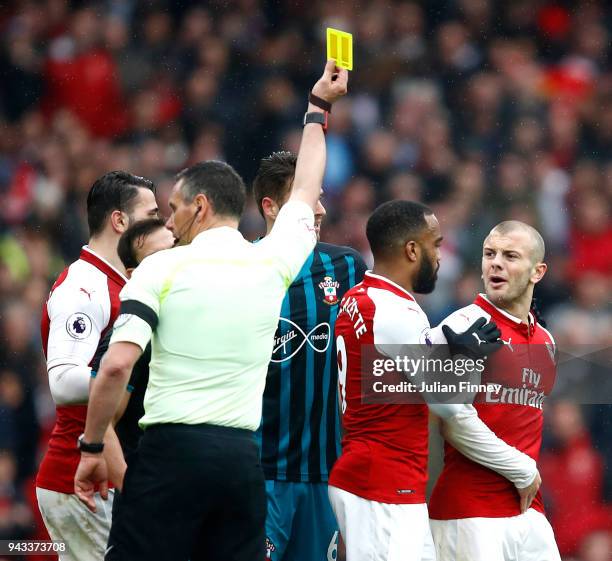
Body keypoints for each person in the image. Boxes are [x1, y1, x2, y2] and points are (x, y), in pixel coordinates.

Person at [73, 60, 348, 561]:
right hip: (242, 464)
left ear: (199, 206)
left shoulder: (161, 270)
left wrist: (92, 448)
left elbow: (115, 366)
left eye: (173, 208)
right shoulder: (271, 262)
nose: (169, 221)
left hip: (169, 457)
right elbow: (307, 187)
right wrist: (318, 108)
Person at [329, 201, 542, 561]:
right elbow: (445, 401)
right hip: (383, 484)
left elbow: (395, 372)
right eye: (436, 244)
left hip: (374, 476)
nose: (441, 256)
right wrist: (466, 358)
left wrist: (448, 350)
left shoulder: (358, 298)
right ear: (413, 250)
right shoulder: (399, 312)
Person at [37, 171, 158, 561]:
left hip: (101, 475)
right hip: (81, 478)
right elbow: (63, 380)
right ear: (120, 221)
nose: (162, 225)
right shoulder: (84, 286)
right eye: (151, 215)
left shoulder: (120, 282)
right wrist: (121, 382)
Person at [252, 151, 367, 561]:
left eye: (319, 198)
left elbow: (381, 350)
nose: (319, 209)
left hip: (325, 475)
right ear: (270, 207)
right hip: (258, 473)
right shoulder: (242, 268)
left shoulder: (347, 268)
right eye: (306, 200)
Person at [428, 221, 561, 561]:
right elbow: (452, 419)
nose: (496, 263)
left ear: (538, 271)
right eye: (490, 254)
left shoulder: (547, 342)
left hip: (527, 510)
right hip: (470, 512)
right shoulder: (459, 327)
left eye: (510, 256)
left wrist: (526, 474)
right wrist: (523, 470)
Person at [91, 218, 175, 462]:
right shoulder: (131, 337)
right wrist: (130, 490)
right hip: (149, 485)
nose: (172, 261)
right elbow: (105, 426)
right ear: (134, 274)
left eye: (175, 251)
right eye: (159, 257)